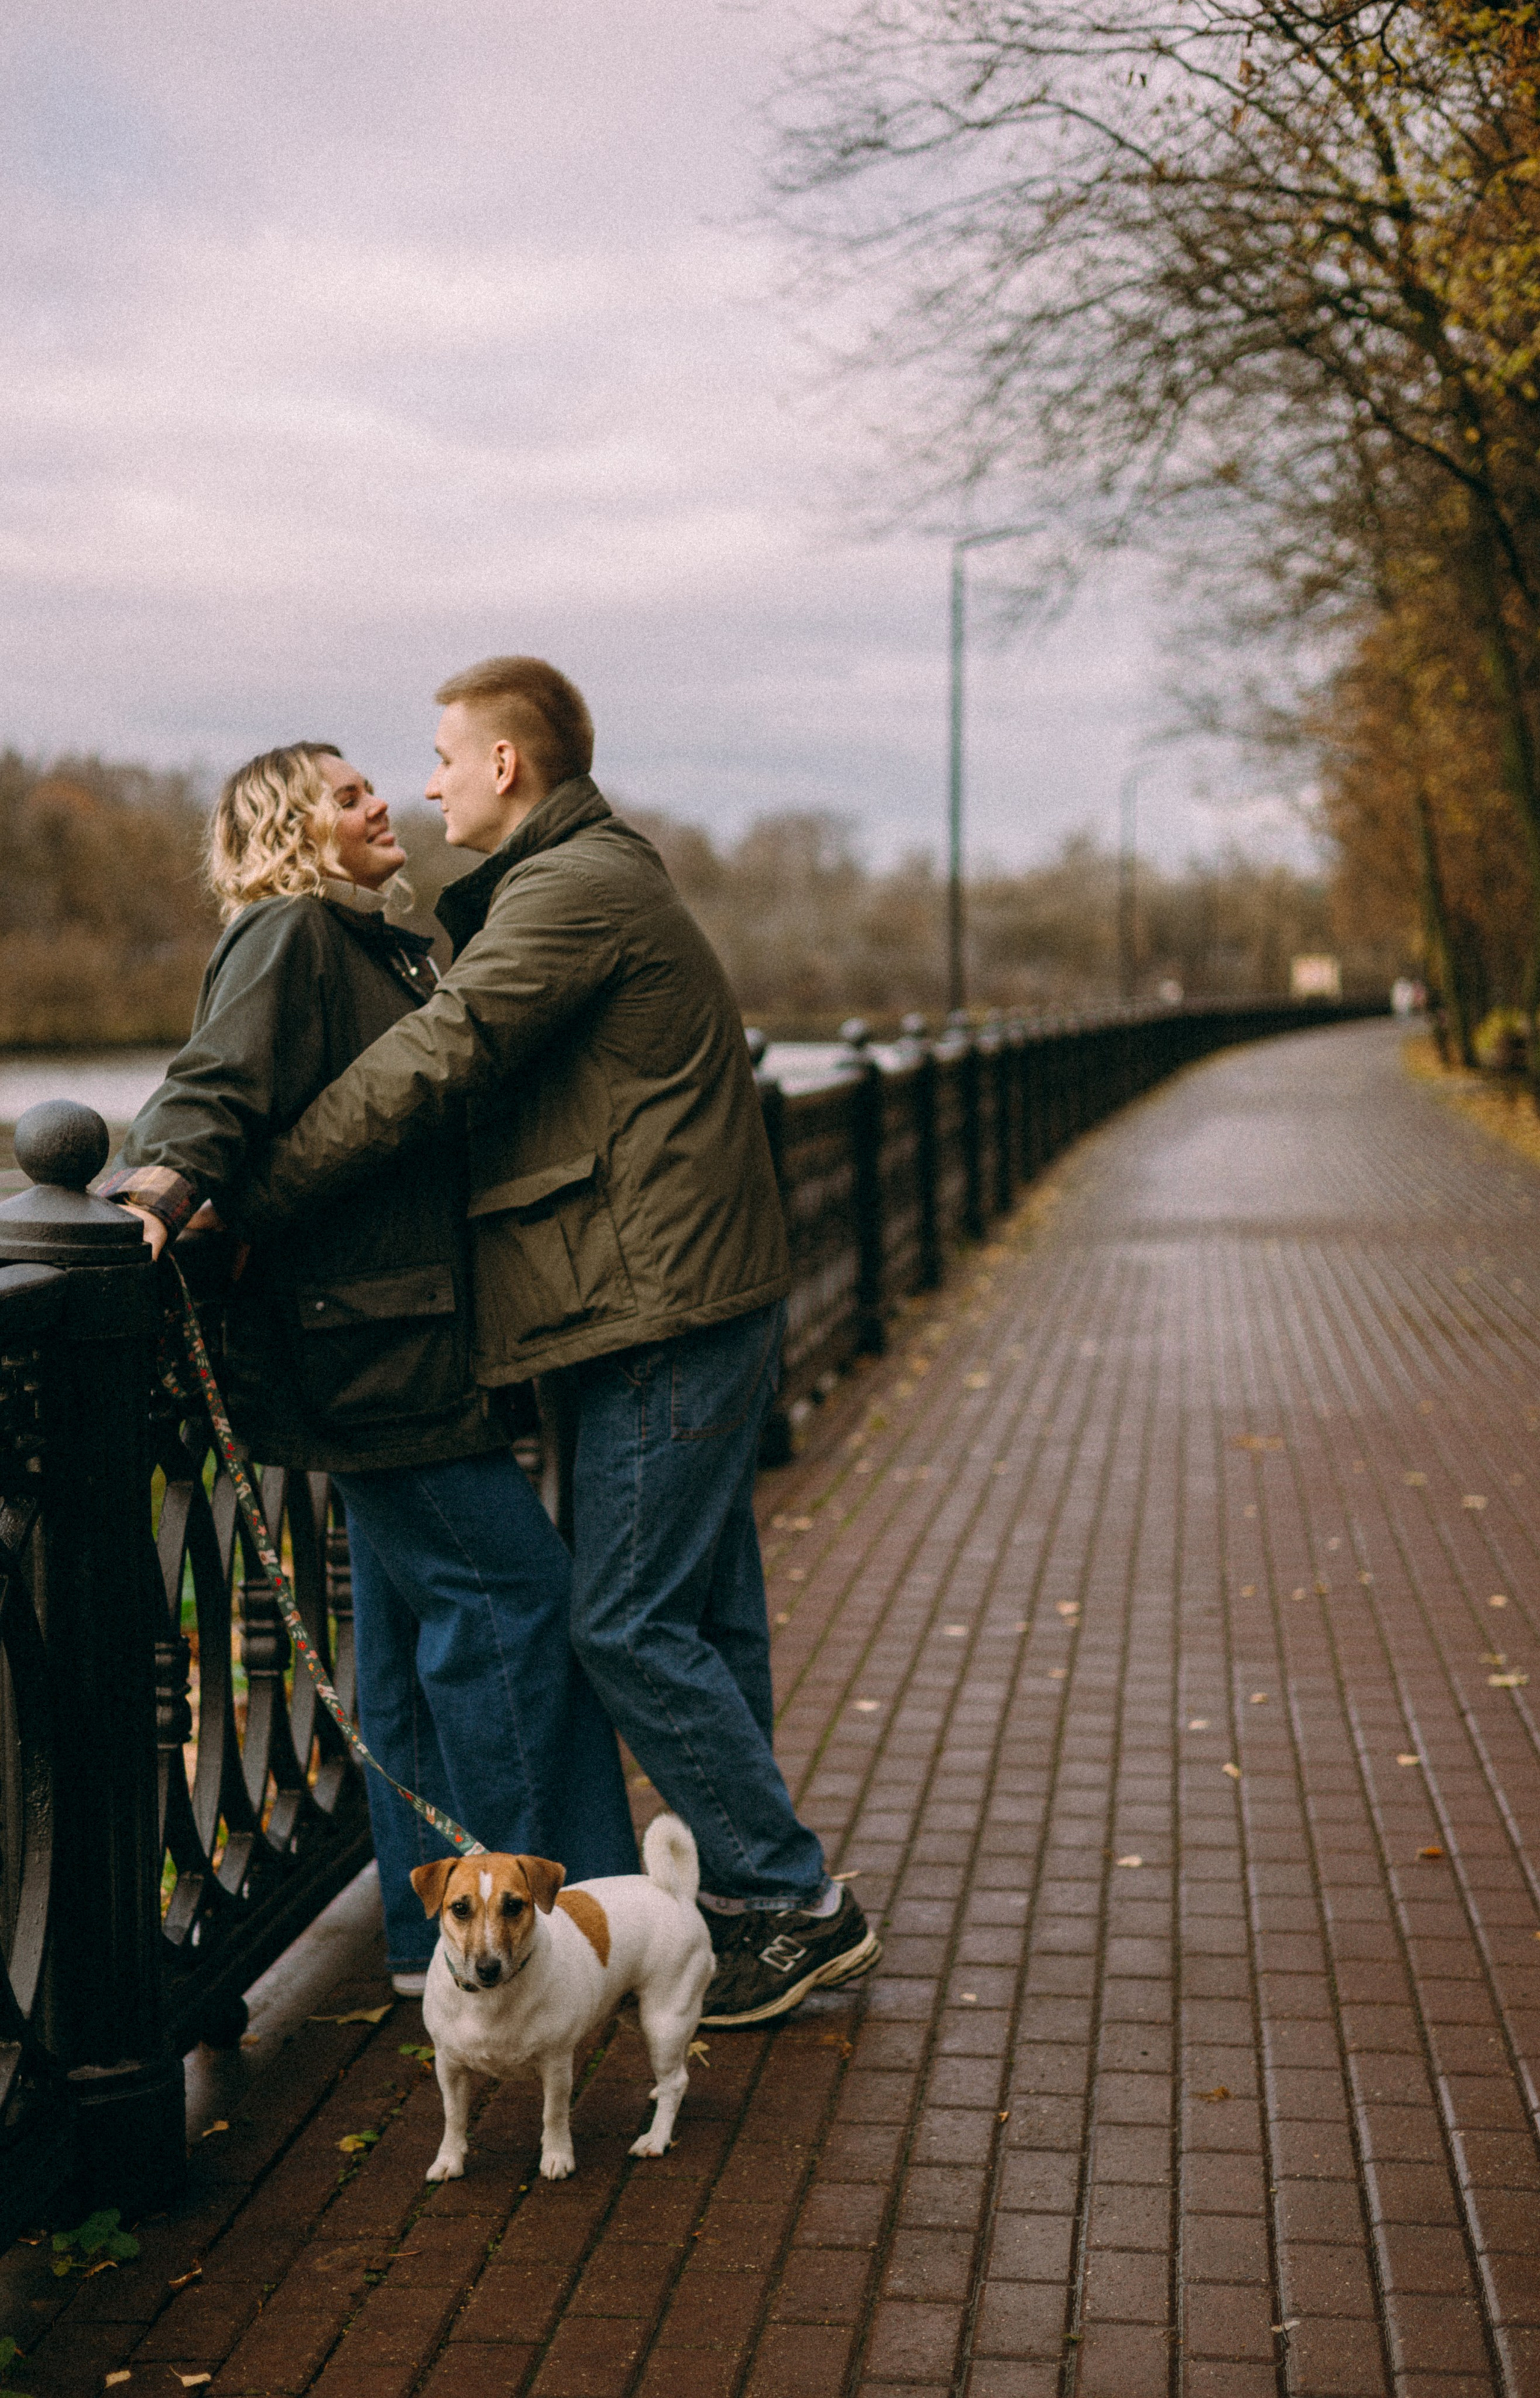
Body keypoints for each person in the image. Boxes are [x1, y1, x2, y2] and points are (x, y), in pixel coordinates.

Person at [236, 659, 881, 2026]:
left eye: (438, 759)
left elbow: (442, 1057)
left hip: (662, 1304)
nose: (425, 784)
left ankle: (791, 1901)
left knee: (623, 1618)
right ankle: (745, 1900)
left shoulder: (571, 888)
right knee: (697, 1611)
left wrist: (261, 1190)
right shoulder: (578, 881)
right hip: (653, 1299)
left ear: (506, 768)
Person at [102, 742, 638, 1991]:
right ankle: (562, 1937)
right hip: (372, 1356)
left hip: (390, 1338)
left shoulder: (375, 947)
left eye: (372, 786)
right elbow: (216, 1080)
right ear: (291, 828)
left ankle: (423, 1947)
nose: (380, 800)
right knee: (515, 1608)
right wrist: (162, 1188)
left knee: (404, 1648)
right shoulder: (288, 931)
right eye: (345, 797)